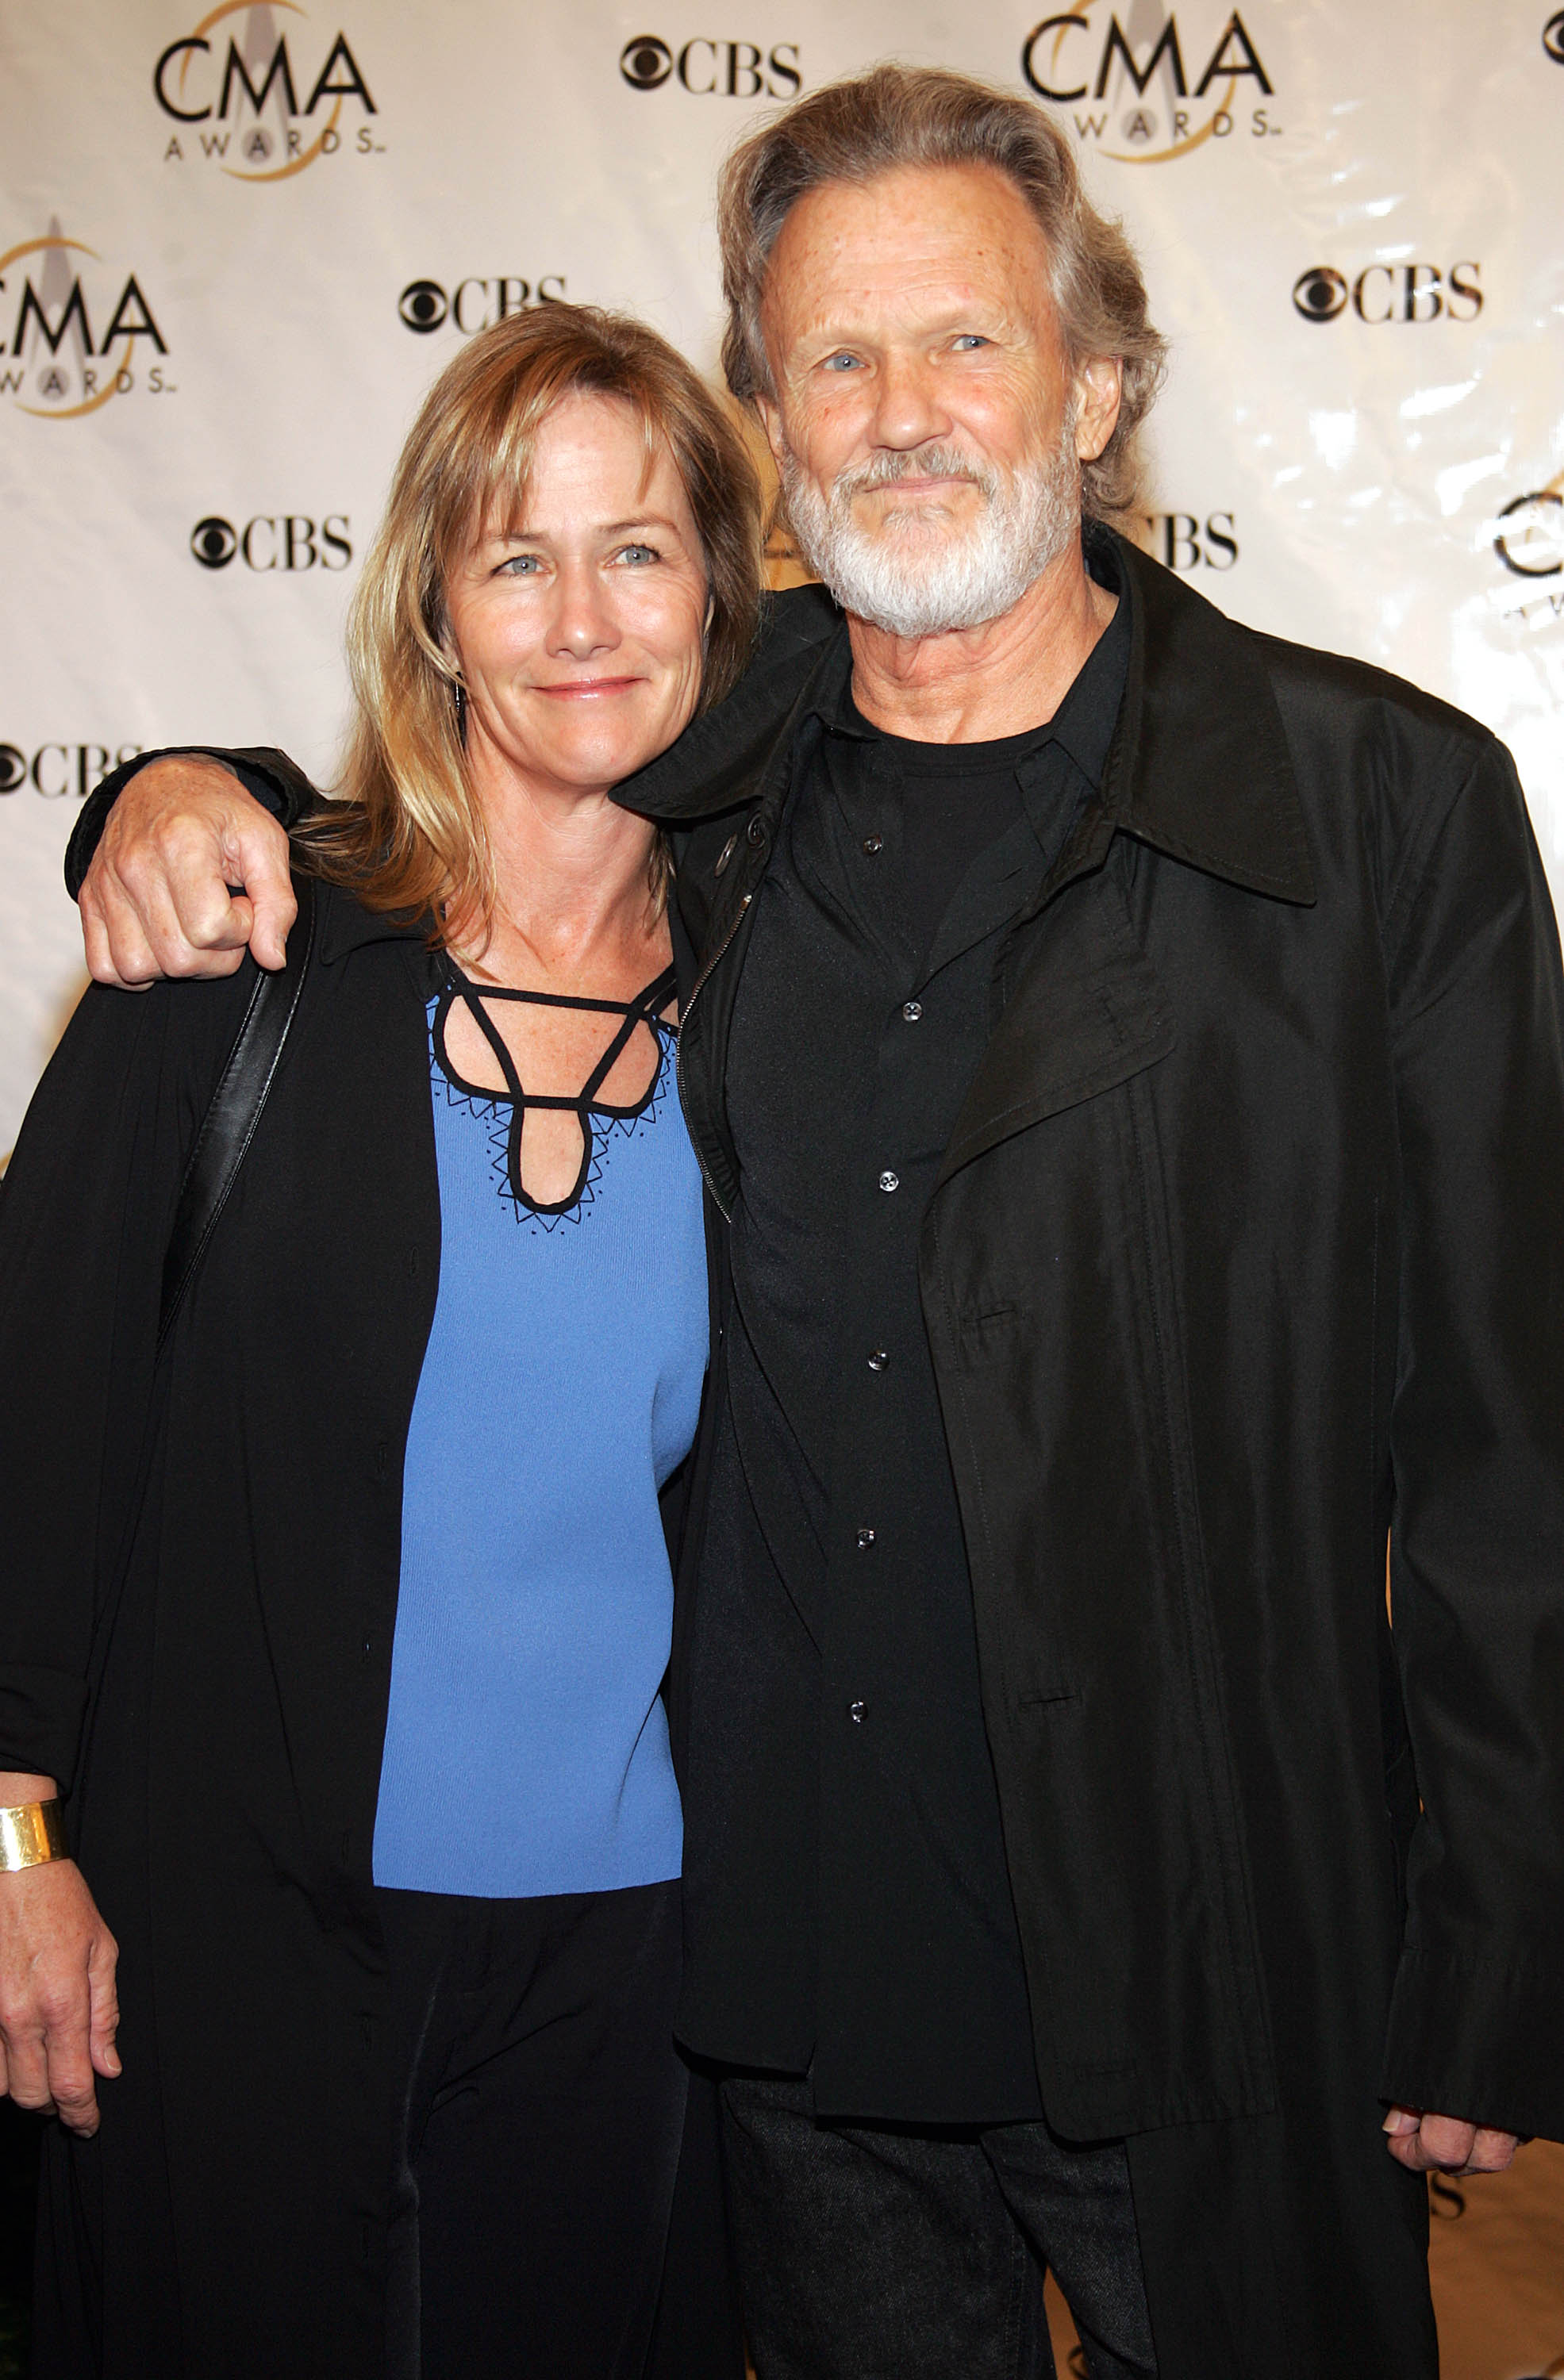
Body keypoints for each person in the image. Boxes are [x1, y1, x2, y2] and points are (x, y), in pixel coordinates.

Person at [56, 62, 1564, 2380]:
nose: (903, 414)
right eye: (832, 359)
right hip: (780, 2007)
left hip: (1210, 1990)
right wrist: (174, 794)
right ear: (766, 415)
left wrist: (1494, 1943)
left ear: (1099, 376)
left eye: (964, 340)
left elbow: (1505, 1452)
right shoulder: (706, 752)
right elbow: (434, 773)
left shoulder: (1378, 816)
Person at [0, 301, 762, 2378]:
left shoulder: (789, 1024)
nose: (581, 617)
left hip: (629, 1984)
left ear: (723, 589)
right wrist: (12, 1851)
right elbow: (30, 1426)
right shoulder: (235, 964)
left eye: (637, 550)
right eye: (516, 556)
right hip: (218, 1952)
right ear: (436, 608)